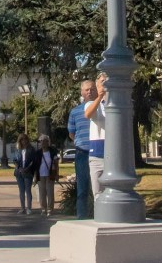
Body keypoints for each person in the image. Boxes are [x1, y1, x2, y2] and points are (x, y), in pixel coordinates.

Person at [67, 78, 96, 218]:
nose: (90, 92)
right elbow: (71, 133)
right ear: (82, 92)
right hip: (82, 152)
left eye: (92, 89)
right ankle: (82, 216)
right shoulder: (75, 112)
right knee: (82, 188)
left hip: (98, 152)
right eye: (87, 89)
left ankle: (100, 215)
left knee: (98, 187)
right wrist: (80, 142)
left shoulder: (102, 108)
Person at [84, 72, 108, 200]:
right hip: (97, 153)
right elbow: (88, 114)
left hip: (113, 153)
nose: (105, 84)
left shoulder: (115, 104)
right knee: (98, 193)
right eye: (102, 81)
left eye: (107, 81)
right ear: (97, 85)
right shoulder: (91, 103)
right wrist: (99, 97)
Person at [34, 134, 59, 215]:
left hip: (50, 175)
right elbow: (35, 166)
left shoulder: (52, 152)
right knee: (42, 193)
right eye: (40, 141)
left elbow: (56, 164)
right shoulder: (37, 153)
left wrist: (57, 174)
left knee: (50, 192)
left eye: (44, 141)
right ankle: (43, 209)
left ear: (48, 142)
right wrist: (35, 176)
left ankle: (50, 209)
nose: (42, 143)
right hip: (40, 175)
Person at [13, 133, 36, 214]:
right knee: (21, 191)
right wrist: (19, 168)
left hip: (28, 172)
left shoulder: (31, 149)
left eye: (25, 139)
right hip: (19, 173)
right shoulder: (17, 150)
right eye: (22, 139)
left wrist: (26, 169)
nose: (24, 141)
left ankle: (29, 208)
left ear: (27, 140)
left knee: (28, 190)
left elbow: (33, 161)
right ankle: (22, 208)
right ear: (20, 141)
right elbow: (14, 160)